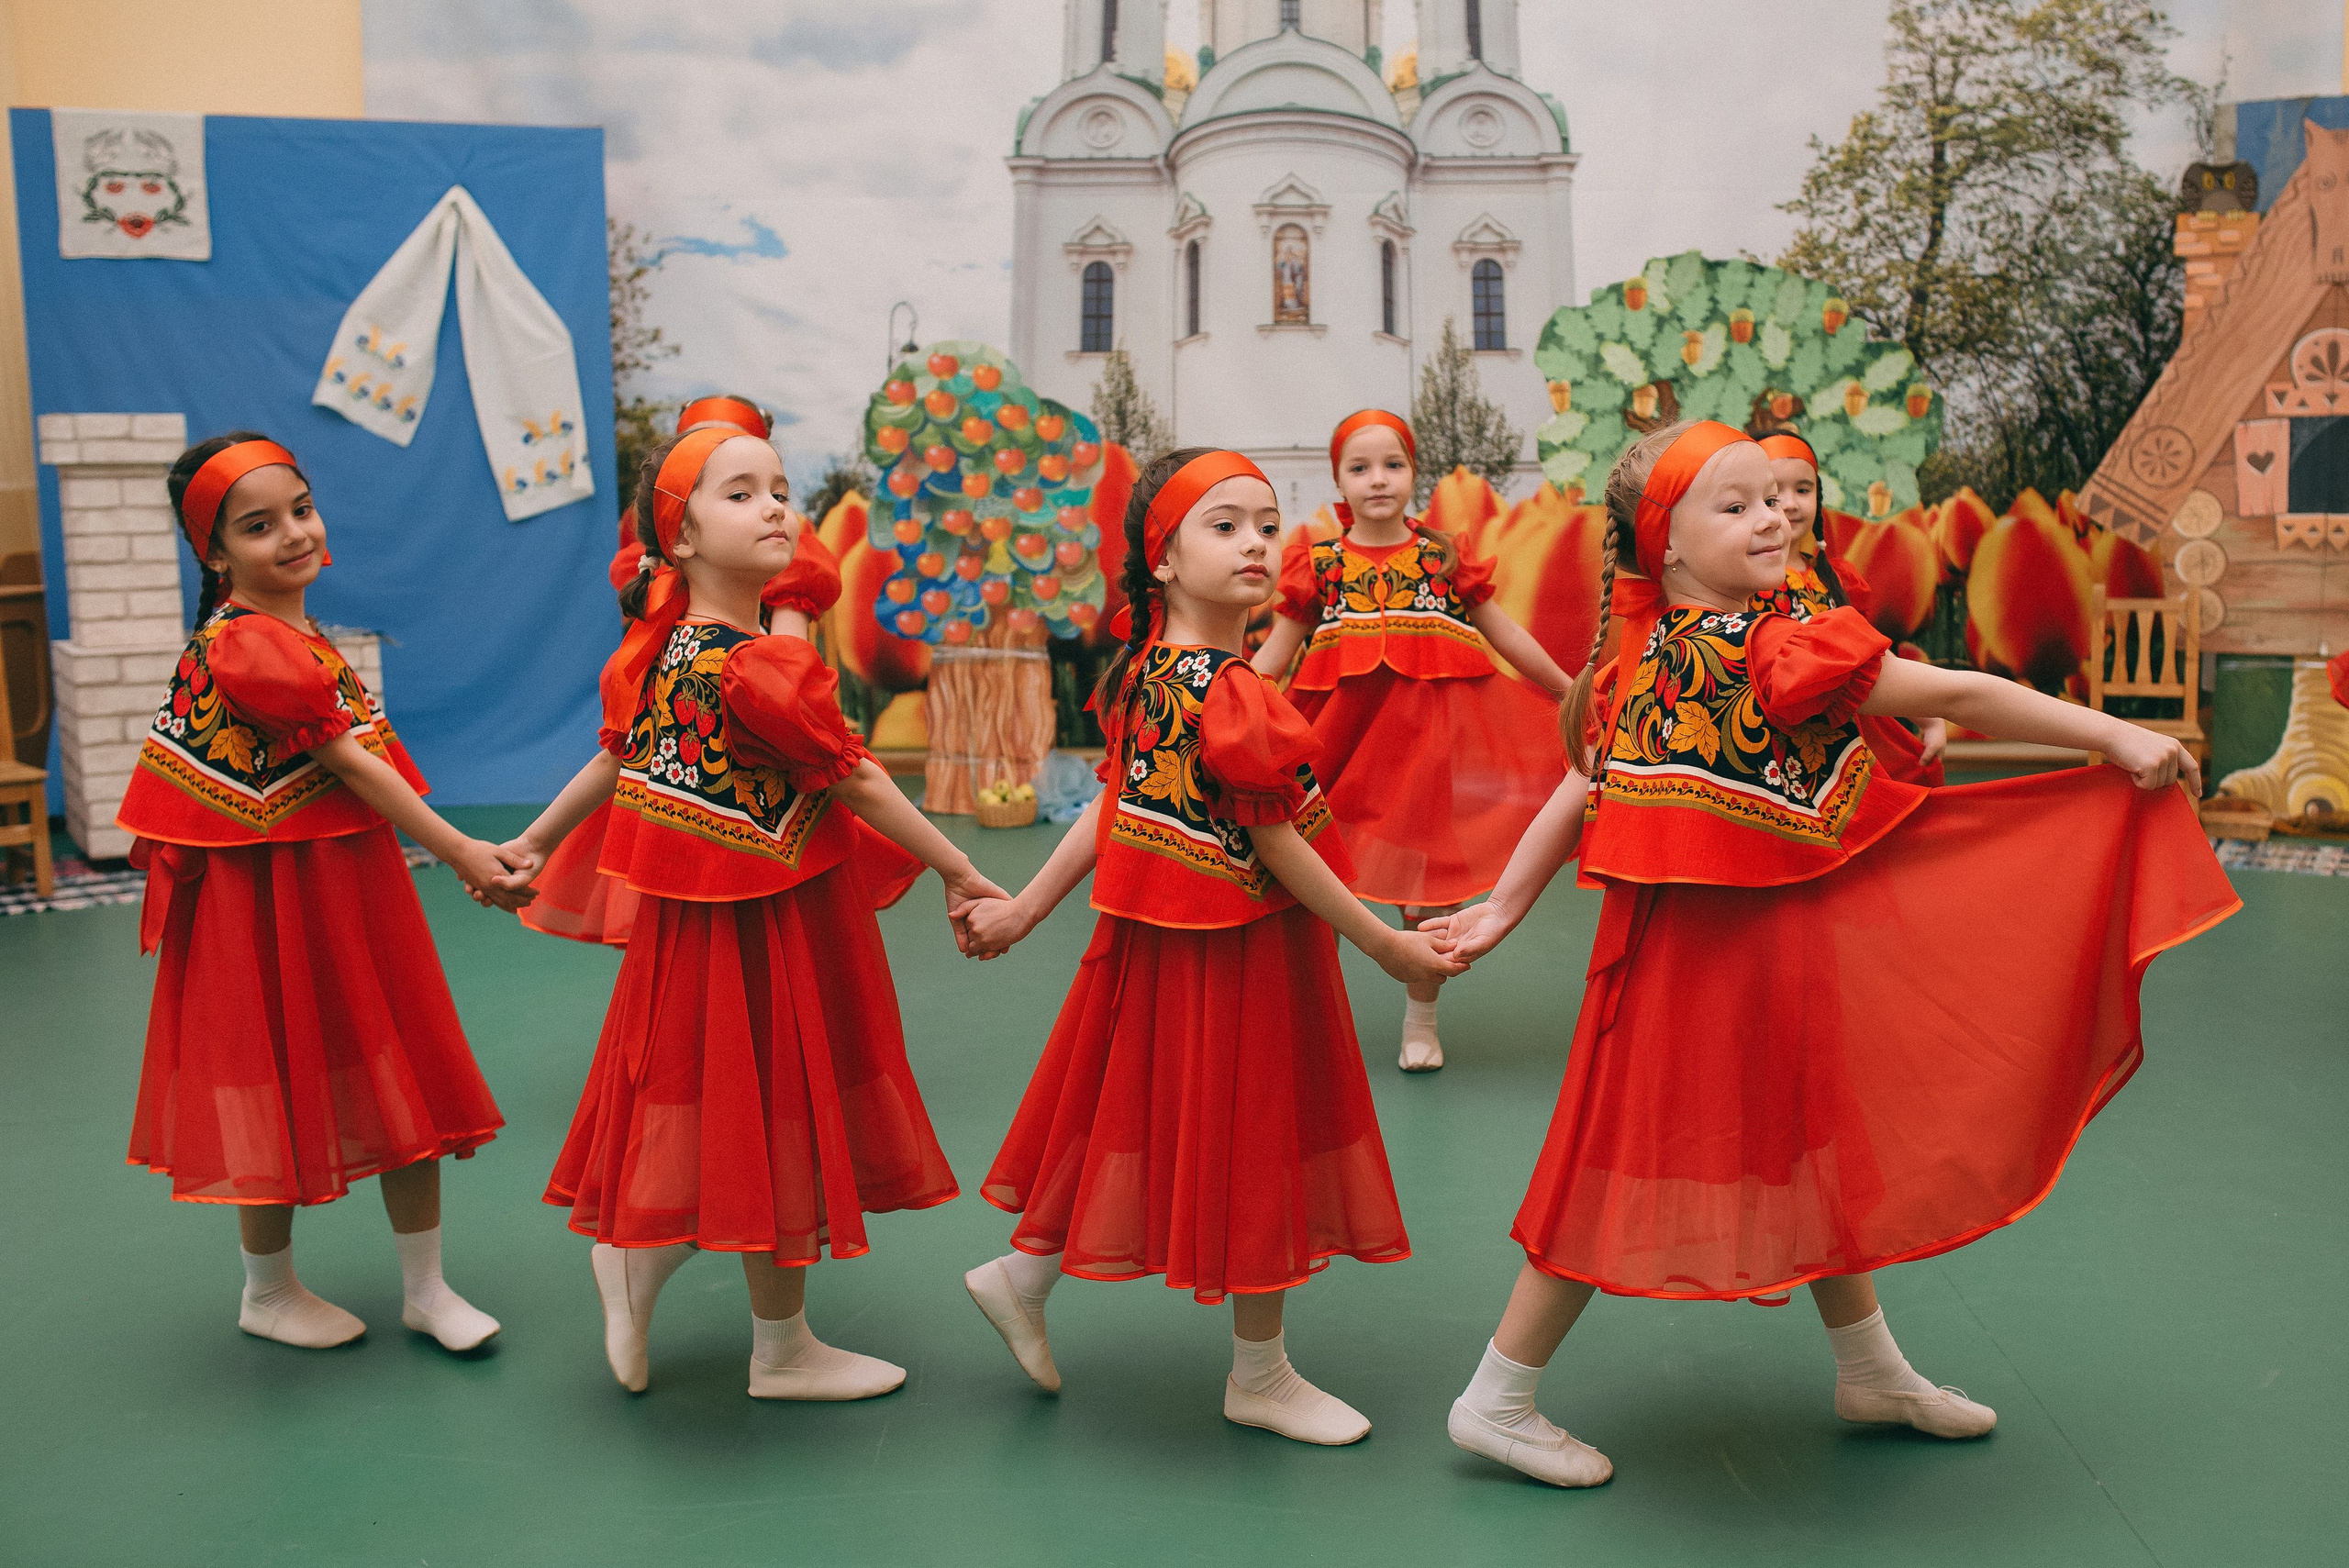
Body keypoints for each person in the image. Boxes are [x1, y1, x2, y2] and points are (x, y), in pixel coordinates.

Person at [1429, 419, 2239, 1487]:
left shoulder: (1699, 642)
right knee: (1612, 1162)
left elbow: (1588, 787)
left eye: (1774, 495)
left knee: (1813, 1134)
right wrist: (2113, 733)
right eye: (1736, 504)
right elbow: (1946, 693)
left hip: (1760, 944)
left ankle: (1871, 1367)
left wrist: (1501, 905)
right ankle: (1496, 1395)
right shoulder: (1752, 646)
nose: (1771, 514)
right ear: (1666, 544)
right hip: (1695, 964)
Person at [957, 449, 1463, 1445]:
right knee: (1252, 1134)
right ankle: (1259, 1373)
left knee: (1125, 1111)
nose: (1257, 544)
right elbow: (1270, 838)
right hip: (1233, 952)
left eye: (1268, 524)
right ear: (1162, 560)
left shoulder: (1158, 673)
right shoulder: (1221, 690)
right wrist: (1384, 947)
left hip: (1165, 939)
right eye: (1223, 525)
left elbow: (1113, 804)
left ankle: (1023, 1273)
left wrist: (1023, 908)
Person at [495, 428, 1007, 1398]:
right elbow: (855, 776)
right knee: (780, 1103)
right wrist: (959, 866)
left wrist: (534, 838)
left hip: (706, 918)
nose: (776, 506)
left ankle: (693, 1287)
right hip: (772, 922)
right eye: (741, 494)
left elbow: (617, 757)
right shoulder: (760, 664)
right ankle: (772, 1342)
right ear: (677, 539)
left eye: (780, 490)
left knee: (736, 1103)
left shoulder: (671, 652)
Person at [119, 433, 526, 1352]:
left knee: (401, 1063)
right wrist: (462, 848)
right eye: (260, 526)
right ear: (217, 555)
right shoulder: (249, 650)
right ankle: (267, 1288)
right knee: (268, 1074)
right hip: (263, 898)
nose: (295, 534)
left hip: (344, 879)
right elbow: (352, 761)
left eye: (300, 508)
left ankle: (426, 1286)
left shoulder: (294, 635)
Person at [1250, 410, 1569, 1071]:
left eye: (1392, 465)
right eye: (1359, 467)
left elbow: (1505, 634)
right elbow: (1272, 660)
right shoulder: (1321, 565)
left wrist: (1569, 690)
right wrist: (1209, 709)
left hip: (1426, 759)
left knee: (1432, 898)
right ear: (1337, 478)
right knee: (1313, 891)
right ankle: (1314, 1025)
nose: (1377, 479)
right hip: (1333, 757)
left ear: (1413, 473)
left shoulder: (1441, 557)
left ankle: (1421, 1019)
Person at [1750, 430, 1945, 784]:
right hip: (1767, 745)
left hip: (1837, 742)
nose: (1791, 504)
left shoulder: (1836, 580)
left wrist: (1930, 717)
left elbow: (1873, 662)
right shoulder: (1745, 582)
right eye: (1775, 495)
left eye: (1803, 490)